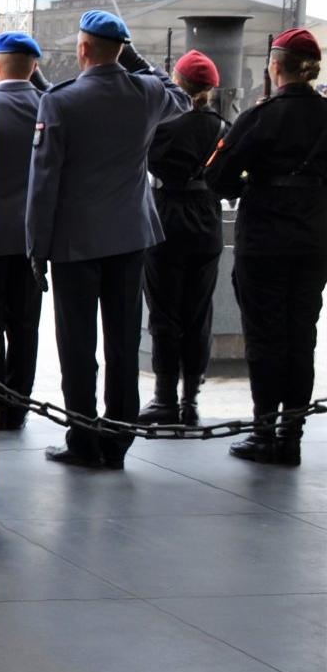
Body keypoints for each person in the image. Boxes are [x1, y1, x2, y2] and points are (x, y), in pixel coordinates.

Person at [26, 10, 190, 470]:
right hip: (129, 238)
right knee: (121, 342)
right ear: (122, 50)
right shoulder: (147, 93)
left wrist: (37, 249)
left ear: (82, 49)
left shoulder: (61, 101)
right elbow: (181, 96)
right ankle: (118, 439)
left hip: (74, 245)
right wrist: (134, 59)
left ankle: (83, 437)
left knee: (77, 345)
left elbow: (44, 185)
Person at [207, 28, 327, 465]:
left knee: (264, 336)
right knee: (301, 337)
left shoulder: (261, 116)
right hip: (314, 242)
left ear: (276, 67)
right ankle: (291, 434)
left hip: (264, 242)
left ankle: (263, 431)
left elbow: (217, 178)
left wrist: (253, 182)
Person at [137, 50, 228, 428]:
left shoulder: (165, 126)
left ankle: (164, 398)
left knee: (164, 312)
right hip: (208, 218)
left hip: (167, 216)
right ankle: (191, 400)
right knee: (198, 313)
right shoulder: (223, 126)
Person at [0, 31, 46, 431]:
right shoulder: (50, 107)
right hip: (31, 239)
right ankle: (20, 403)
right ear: (35, 67)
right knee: (25, 326)